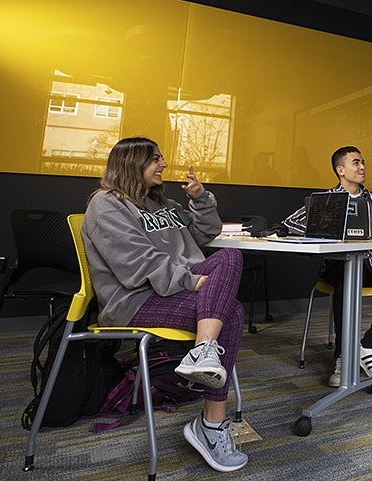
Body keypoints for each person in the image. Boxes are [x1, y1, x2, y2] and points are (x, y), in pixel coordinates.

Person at [82, 137, 248, 472]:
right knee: (232, 313)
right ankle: (211, 425)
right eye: (155, 159)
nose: (164, 165)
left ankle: (204, 350)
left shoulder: (163, 205)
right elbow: (137, 265)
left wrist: (201, 200)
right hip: (134, 300)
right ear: (132, 163)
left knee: (230, 255)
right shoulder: (106, 204)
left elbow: (207, 234)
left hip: (173, 290)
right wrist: (195, 282)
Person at [283, 146, 372, 387]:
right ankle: (342, 355)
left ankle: (368, 345)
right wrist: (318, 231)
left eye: (363, 162)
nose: (362, 167)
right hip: (339, 267)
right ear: (341, 170)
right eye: (356, 163)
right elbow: (291, 223)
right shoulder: (327, 200)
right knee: (346, 278)